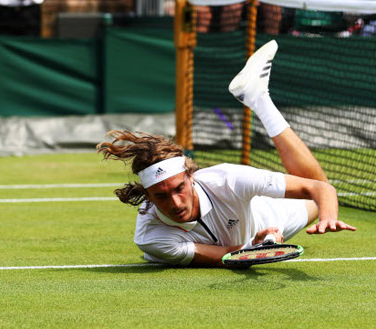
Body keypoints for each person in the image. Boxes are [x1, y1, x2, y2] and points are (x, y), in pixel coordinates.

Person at [97, 40, 356, 268]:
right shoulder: (152, 238)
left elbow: (321, 190)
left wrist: (328, 218)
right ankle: (258, 97)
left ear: (191, 175)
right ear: (148, 196)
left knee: (319, 189)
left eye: (179, 188)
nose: (175, 203)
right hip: (253, 237)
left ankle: (261, 100)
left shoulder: (228, 179)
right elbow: (228, 257)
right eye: (161, 195)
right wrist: (261, 246)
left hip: (272, 214)